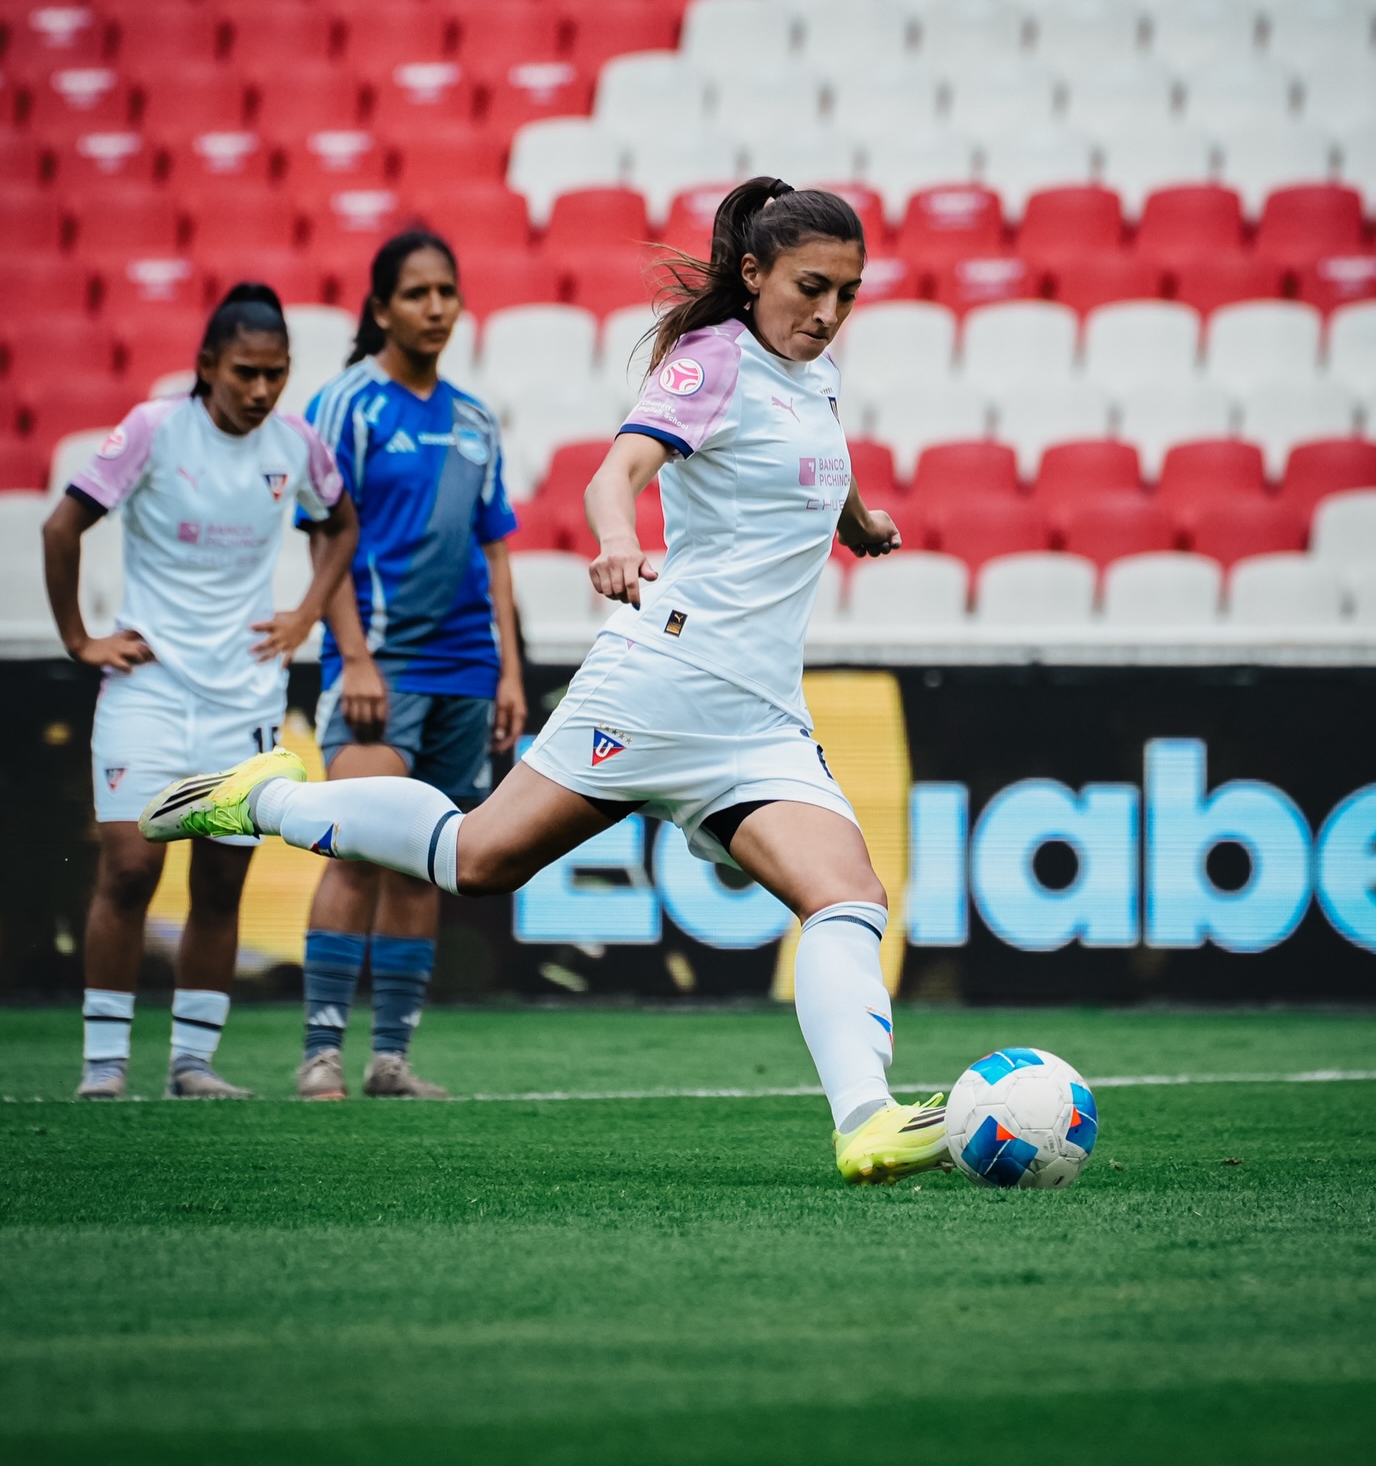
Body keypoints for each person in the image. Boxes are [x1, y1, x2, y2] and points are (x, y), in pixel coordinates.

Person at [142, 181, 949, 1184]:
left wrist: (857, 518)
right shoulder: (711, 362)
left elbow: (812, 459)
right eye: (811, 287)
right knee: (479, 860)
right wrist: (617, 544)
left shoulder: (814, 370)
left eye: (850, 294)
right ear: (753, 275)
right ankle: (263, 796)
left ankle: (867, 1121)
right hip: (659, 684)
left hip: (758, 715)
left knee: (849, 897)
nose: (828, 312)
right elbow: (614, 475)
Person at [44, 284, 356, 1100]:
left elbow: (341, 523)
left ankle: (191, 1065)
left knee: (222, 881)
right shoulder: (153, 430)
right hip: (147, 689)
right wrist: (81, 639)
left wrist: (307, 610)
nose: (261, 391)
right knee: (128, 868)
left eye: (276, 374)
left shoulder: (294, 443)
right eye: (247, 373)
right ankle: (104, 1068)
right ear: (207, 365)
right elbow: (60, 527)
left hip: (245, 700)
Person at [293, 231, 525, 1101]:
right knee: (354, 848)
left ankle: (390, 1058)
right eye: (417, 293)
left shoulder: (475, 418)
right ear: (381, 306)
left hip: (468, 668)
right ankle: (321, 1051)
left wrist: (506, 671)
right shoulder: (346, 404)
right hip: (379, 666)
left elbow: (495, 551)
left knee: (427, 857)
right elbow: (327, 541)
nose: (435, 308)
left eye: (446, 292)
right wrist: (351, 655)